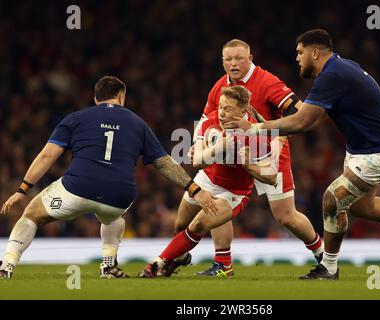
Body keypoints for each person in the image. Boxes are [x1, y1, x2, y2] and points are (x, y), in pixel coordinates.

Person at [225, 29, 380, 280]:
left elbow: (302, 122)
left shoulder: (333, 76)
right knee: (362, 206)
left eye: (300, 52)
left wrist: (254, 127)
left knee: (332, 200)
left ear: (315, 52)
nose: (297, 58)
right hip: (363, 148)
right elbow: (310, 120)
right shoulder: (340, 69)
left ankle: (328, 268)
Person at [0, 75, 217, 279]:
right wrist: (194, 188)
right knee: (114, 218)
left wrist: (23, 190)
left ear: (96, 98)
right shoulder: (138, 123)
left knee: (32, 214)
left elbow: (48, 155)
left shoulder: (76, 118)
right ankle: (108, 265)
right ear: (121, 96)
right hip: (119, 195)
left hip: (78, 186)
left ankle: (7, 265)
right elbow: (164, 163)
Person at [189, 39, 323, 277]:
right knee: (221, 198)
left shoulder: (267, 81)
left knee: (286, 216)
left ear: (250, 58)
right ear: (222, 62)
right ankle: (223, 265)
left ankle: (323, 255)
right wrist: (195, 144)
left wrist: (278, 137)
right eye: (228, 59)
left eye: (239, 58)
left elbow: (301, 113)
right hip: (232, 152)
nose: (233, 63)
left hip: (267, 152)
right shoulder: (219, 86)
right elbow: (204, 119)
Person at [138, 86, 279, 278]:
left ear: (243, 111)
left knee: (198, 225)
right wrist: (218, 147)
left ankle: (156, 264)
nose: (221, 112)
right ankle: (180, 258)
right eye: (221, 107)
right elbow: (196, 162)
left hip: (233, 192)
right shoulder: (211, 122)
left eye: (228, 109)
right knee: (179, 227)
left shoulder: (256, 134)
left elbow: (271, 177)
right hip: (206, 179)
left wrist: (249, 166)